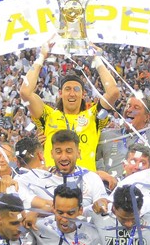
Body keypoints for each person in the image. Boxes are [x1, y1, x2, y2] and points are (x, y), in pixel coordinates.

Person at [21, 42, 120, 172]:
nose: (72, 93)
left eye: (76, 89)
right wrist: (41, 57)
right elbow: (25, 92)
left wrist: (97, 59)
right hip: (53, 181)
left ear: (83, 94)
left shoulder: (94, 117)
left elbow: (113, 92)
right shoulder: (48, 116)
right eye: (67, 89)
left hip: (85, 183)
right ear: (60, 93)